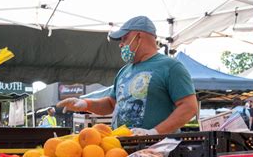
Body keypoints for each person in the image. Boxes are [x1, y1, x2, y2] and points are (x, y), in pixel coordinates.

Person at [57, 16, 198, 135]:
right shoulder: (124, 71)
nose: (121, 45)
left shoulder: (171, 67)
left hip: (158, 152)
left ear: (139, 36)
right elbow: (111, 104)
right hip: (120, 150)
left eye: (124, 38)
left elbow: (189, 107)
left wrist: (154, 132)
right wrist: (84, 104)